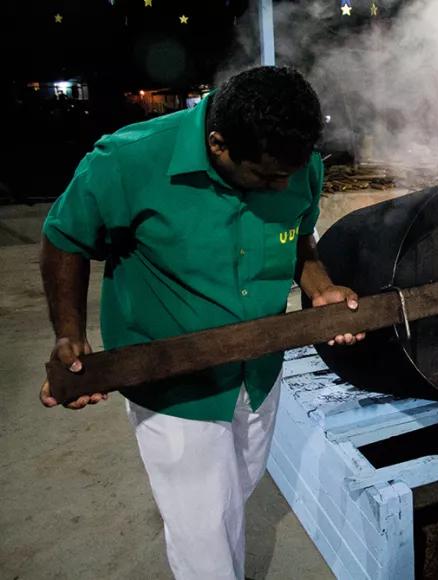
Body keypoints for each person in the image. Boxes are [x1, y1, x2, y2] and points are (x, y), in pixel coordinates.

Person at [39, 66, 364, 579]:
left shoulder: (294, 163)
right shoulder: (128, 159)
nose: (283, 185)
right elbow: (64, 239)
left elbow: (300, 240)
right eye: (266, 177)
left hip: (259, 373)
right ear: (218, 145)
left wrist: (320, 287)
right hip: (173, 384)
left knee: (231, 496)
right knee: (204, 530)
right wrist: (69, 333)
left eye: (292, 172)